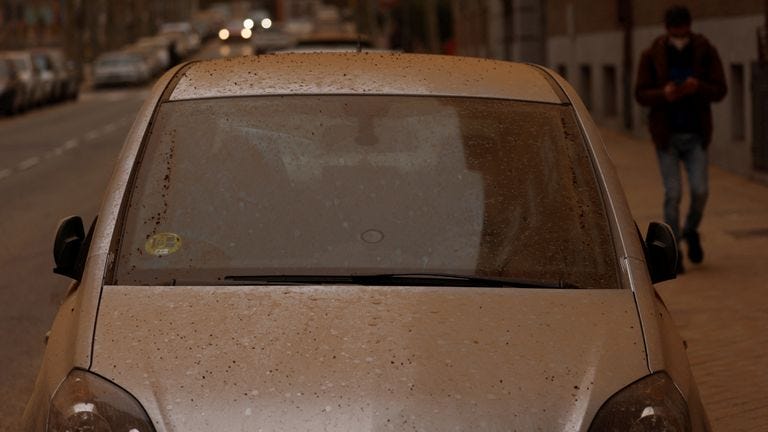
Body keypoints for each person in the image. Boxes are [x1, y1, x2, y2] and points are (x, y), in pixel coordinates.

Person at [635, 5, 727, 273]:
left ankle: (690, 231)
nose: (680, 35)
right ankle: (674, 252)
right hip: (667, 137)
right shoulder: (652, 53)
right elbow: (640, 93)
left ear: (689, 26)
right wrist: (664, 94)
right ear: (667, 28)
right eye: (675, 30)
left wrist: (698, 87)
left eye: (683, 29)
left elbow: (720, 88)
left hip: (696, 134)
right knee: (673, 193)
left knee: (700, 190)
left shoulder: (704, 49)